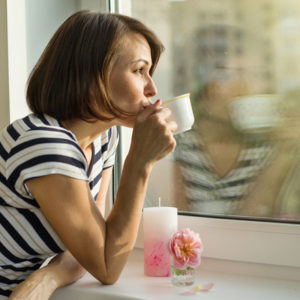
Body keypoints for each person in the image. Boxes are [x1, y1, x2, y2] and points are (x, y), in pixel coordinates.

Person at [0, 10, 177, 299]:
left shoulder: (104, 140)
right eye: (138, 70)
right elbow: (107, 266)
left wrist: (48, 277)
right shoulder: (45, 144)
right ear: (94, 75)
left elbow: (95, 247)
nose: (152, 88)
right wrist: (140, 162)